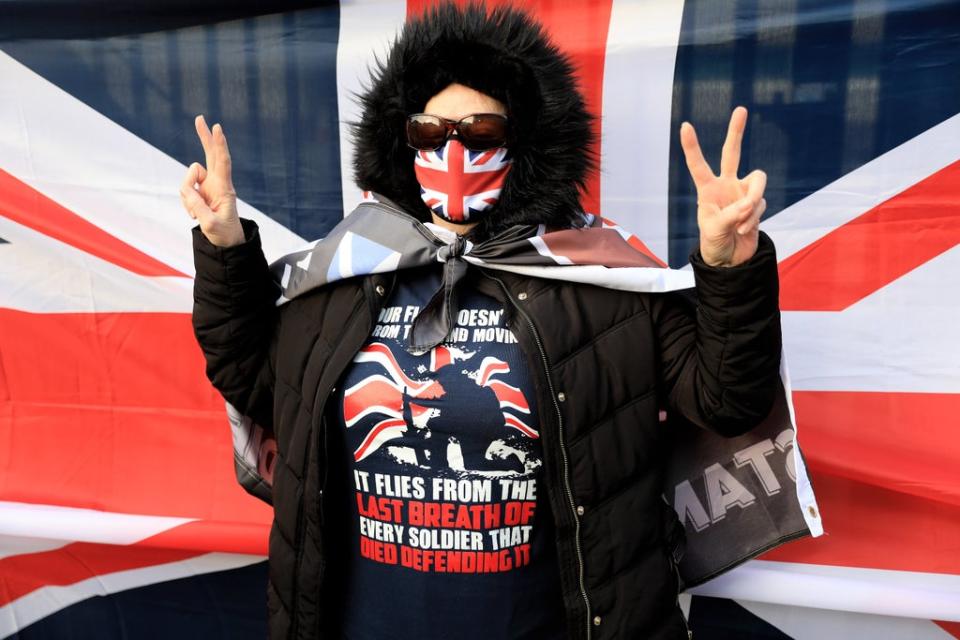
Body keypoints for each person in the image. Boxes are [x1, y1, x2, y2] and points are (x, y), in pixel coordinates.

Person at [180, 3, 780, 639]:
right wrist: (225, 251)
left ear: (524, 143)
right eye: (430, 133)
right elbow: (252, 379)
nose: (454, 150)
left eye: (481, 131)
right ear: (400, 140)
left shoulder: (603, 280)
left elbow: (727, 399)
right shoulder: (344, 274)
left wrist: (727, 266)